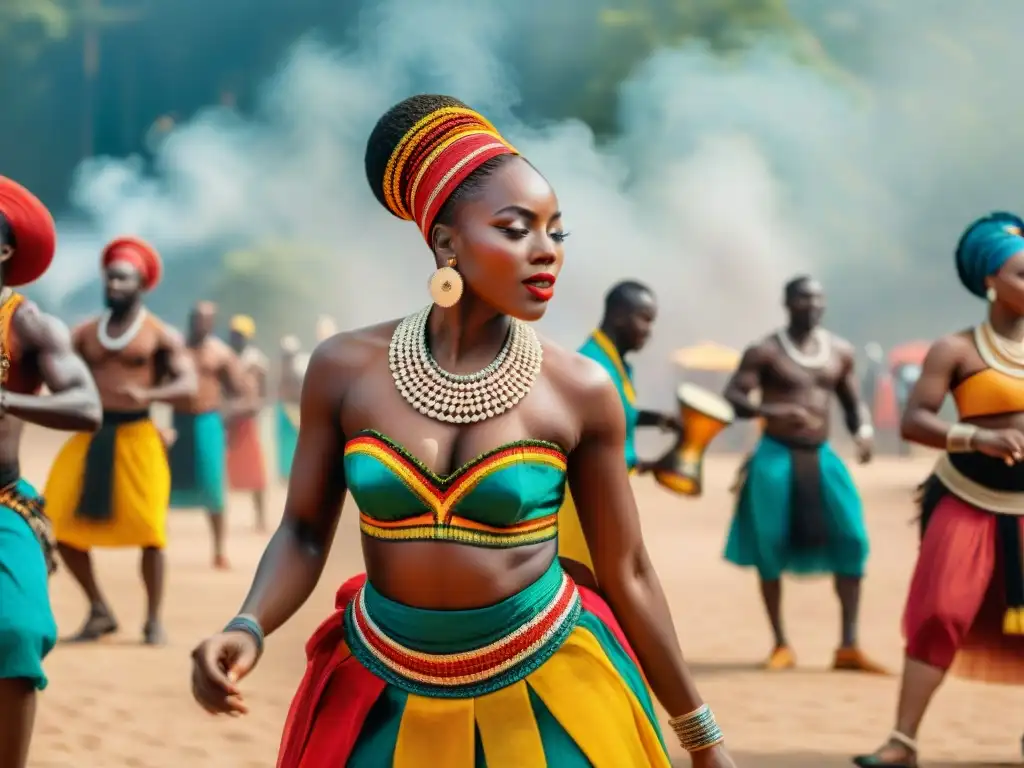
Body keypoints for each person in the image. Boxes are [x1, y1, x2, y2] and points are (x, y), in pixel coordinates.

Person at [189, 94, 736, 768]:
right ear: (447, 242)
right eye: (516, 229)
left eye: (556, 232)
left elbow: (627, 570)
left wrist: (702, 739)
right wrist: (247, 626)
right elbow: (303, 530)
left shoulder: (581, 391)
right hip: (376, 691)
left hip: (552, 684)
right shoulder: (343, 370)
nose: (547, 253)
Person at [854, 212, 1024, 768]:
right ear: (989, 282)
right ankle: (902, 740)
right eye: (1021, 274)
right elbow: (913, 421)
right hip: (968, 498)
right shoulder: (955, 350)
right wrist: (976, 436)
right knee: (939, 611)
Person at [723, 275, 886, 674]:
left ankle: (848, 644)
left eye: (817, 299)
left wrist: (863, 432)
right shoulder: (765, 351)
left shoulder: (840, 352)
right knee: (771, 542)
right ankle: (781, 643)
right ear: (787, 303)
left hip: (822, 455)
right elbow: (735, 396)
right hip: (775, 457)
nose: (811, 306)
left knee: (852, 537)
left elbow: (852, 403)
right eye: (802, 299)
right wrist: (775, 412)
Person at [47, 237, 197, 646]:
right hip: (90, 434)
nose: (114, 285)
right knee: (57, 522)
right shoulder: (84, 333)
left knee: (150, 530)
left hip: (137, 436)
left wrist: (149, 395)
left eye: (123, 279)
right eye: (110, 277)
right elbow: (54, 365)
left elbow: (188, 382)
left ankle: (153, 620)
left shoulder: (158, 335)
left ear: (141, 285)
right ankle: (99, 609)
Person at [0, 176, 103, 767]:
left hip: (3, 505)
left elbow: (87, 408)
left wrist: (6, 400)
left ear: (5, 250)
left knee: (14, 630)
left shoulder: (29, 323)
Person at [558, 280, 682, 590]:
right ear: (617, 316)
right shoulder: (591, 365)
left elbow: (614, 420)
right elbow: (587, 436)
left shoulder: (618, 365)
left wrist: (656, 420)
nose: (648, 331)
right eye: (644, 318)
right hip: (583, 503)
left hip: (608, 493)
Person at [168, 301, 249, 569]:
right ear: (189, 320)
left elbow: (240, 391)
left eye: (206, 320)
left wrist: (226, 414)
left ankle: (219, 549)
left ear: (212, 324)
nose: (200, 324)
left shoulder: (220, 353)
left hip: (207, 422)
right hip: (177, 422)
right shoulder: (174, 349)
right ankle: (157, 545)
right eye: (196, 319)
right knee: (165, 483)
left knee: (214, 487)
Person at [226, 314, 269, 532]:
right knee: (223, 467)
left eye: (239, 335)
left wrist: (250, 407)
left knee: (255, 472)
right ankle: (223, 517)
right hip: (227, 420)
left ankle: (260, 517)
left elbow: (262, 394)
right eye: (233, 334)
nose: (235, 338)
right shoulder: (225, 357)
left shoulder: (256, 361)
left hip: (248, 420)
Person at [274, 335, 302, 483]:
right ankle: (285, 474)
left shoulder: (296, 371)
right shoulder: (282, 371)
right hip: (284, 408)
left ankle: (293, 473)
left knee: (292, 441)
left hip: (293, 408)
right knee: (285, 442)